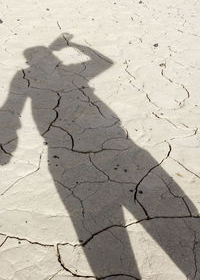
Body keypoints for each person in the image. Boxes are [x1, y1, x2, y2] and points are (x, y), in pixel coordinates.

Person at [0, 34, 199, 279]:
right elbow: (10, 109)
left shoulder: (65, 72)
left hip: (100, 148)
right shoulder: (27, 77)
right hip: (72, 154)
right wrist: (72, 46)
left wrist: (74, 45)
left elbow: (105, 63)